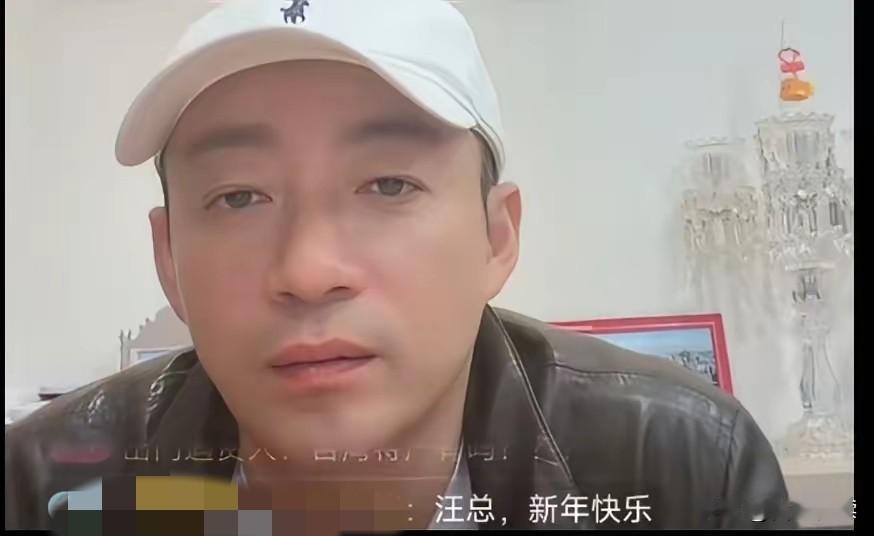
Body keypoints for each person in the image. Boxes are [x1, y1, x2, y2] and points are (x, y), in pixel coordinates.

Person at [5, 0, 798, 532]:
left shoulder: (679, 465)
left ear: (496, 237)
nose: (308, 271)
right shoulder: (48, 489)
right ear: (170, 259)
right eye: (239, 197)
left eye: (388, 185)